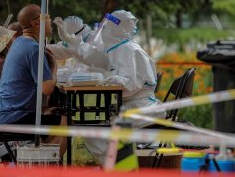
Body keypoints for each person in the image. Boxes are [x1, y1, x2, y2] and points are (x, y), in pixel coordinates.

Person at [54, 10, 165, 163]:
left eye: (107, 27)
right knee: (90, 125)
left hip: (136, 108)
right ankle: (117, 164)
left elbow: (130, 85)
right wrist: (71, 41)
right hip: (128, 105)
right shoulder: (119, 48)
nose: (103, 30)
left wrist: (107, 80)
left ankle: (118, 165)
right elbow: (94, 58)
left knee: (91, 128)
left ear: (116, 29)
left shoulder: (129, 50)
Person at [0, 4, 66, 157]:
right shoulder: (33, 49)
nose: (50, 19)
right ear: (36, 22)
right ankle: (45, 167)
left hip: (2, 114)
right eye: (47, 16)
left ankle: (38, 161)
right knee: (65, 122)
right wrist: (54, 65)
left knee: (52, 118)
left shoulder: (19, 42)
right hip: (12, 118)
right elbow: (47, 89)